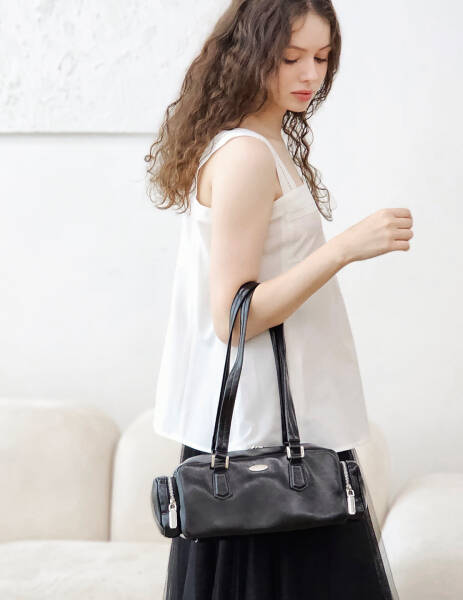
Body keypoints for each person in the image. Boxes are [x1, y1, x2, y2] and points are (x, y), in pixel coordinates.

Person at [145, 1, 412, 598]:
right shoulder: (246, 154)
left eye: (322, 57)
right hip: (262, 445)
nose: (310, 74)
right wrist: (343, 249)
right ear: (250, 53)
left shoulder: (266, 143)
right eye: (291, 57)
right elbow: (232, 317)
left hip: (280, 432)